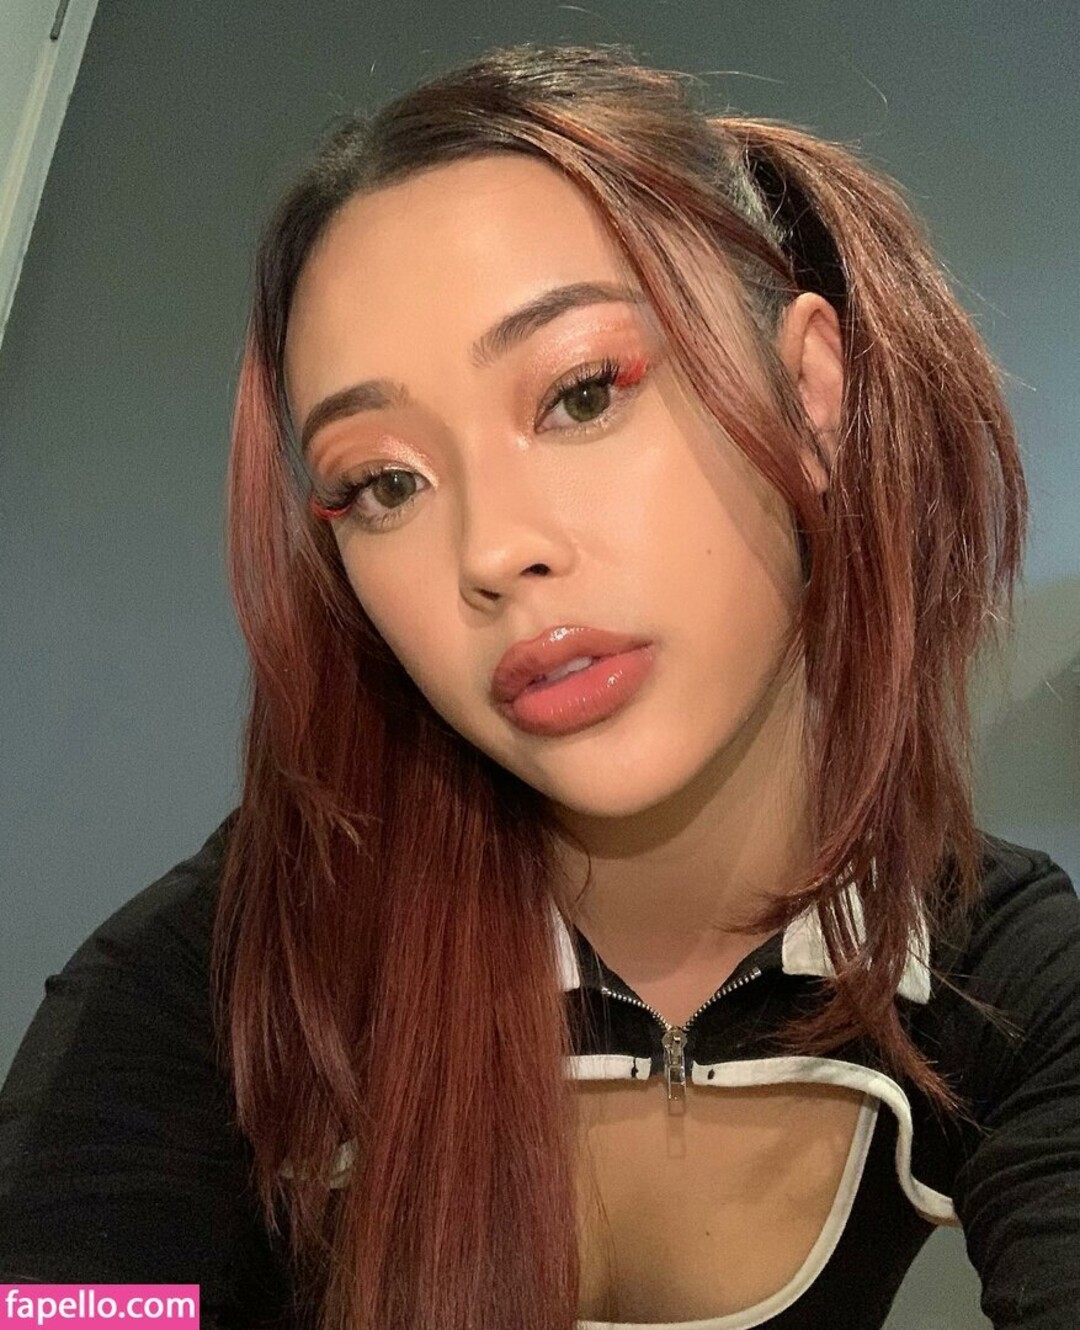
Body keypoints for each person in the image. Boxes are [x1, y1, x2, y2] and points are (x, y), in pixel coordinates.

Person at [0, 40, 1077, 1330]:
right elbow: (75, 1303)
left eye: (580, 394)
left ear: (809, 393)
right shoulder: (248, 962)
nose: (493, 550)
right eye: (386, 482)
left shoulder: (1001, 971)